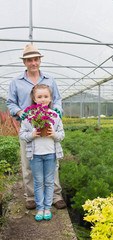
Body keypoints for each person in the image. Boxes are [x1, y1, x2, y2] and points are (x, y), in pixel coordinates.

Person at [7, 44, 67, 210]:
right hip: (29, 128)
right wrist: (20, 113)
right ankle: (31, 197)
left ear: (40, 60)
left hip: (48, 126)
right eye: (29, 60)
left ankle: (55, 196)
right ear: (24, 62)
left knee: (51, 161)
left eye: (36, 59)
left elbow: (58, 99)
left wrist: (57, 111)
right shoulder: (16, 82)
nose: (33, 62)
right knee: (28, 162)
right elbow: (10, 102)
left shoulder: (49, 79)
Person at [19, 84, 65, 221]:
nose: (43, 99)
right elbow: (22, 134)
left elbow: (62, 134)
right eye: (39, 97)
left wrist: (54, 134)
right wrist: (32, 134)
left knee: (49, 182)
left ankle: (47, 208)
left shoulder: (55, 115)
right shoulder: (29, 116)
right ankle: (40, 208)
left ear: (50, 98)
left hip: (51, 154)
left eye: (46, 96)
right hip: (35, 155)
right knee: (38, 182)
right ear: (34, 99)